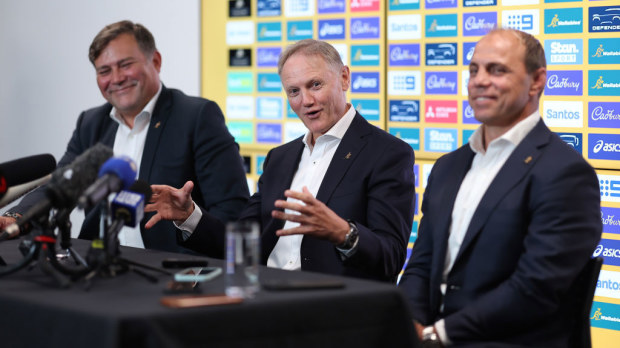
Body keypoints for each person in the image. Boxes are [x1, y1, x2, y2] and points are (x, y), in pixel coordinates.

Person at [146, 39, 416, 282]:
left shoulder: (387, 153)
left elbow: (390, 258)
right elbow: (242, 243)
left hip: (336, 312)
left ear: (344, 78)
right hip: (265, 302)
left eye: (316, 85)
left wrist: (343, 232)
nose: (306, 101)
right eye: (294, 91)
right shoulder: (280, 158)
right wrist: (191, 216)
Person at [399, 28, 602, 346]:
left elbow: (534, 290)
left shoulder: (565, 174)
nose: (479, 80)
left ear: (537, 81)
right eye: (474, 70)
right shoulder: (447, 167)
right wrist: (408, 324)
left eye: (498, 70)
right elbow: (421, 264)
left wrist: (436, 335)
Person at [0, 20, 249, 254]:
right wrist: (13, 219)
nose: (117, 78)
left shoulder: (197, 117)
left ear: (156, 61)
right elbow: (59, 185)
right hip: (97, 265)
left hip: (171, 271)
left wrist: (188, 215)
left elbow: (233, 213)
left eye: (126, 64)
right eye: (105, 70)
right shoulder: (91, 123)